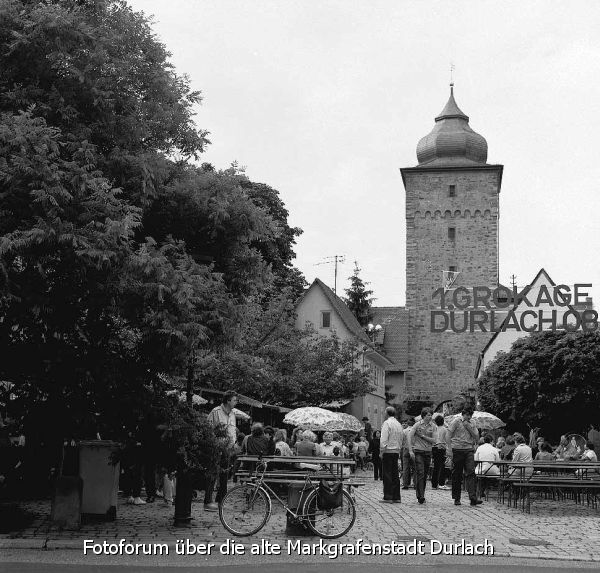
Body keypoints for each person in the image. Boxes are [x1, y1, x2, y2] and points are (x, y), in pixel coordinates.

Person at [205, 391, 238, 511]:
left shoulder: (233, 414)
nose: (236, 402)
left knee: (225, 476)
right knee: (213, 474)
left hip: (228, 449)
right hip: (216, 447)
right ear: (228, 401)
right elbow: (208, 429)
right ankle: (207, 501)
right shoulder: (215, 412)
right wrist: (214, 443)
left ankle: (221, 501)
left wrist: (234, 443)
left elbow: (232, 431)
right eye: (234, 400)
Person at [446, 406, 482, 506]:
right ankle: (457, 498)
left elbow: (477, 437)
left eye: (470, 415)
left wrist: (468, 427)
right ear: (463, 414)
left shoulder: (473, 422)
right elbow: (448, 434)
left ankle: (473, 498)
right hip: (457, 449)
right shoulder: (456, 421)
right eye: (467, 415)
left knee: (471, 472)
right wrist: (448, 448)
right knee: (457, 474)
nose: (468, 417)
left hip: (469, 450)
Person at [408, 408, 437, 504]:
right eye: (428, 415)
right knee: (420, 472)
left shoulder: (433, 426)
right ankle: (421, 496)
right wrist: (410, 450)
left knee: (424, 474)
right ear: (423, 416)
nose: (430, 417)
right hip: (418, 451)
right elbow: (409, 436)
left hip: (428, 452)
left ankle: (421, 493)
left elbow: (434, 440)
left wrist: (423, 436)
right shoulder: (417, 425)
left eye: (430, 415)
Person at [380, 406, 405, 503]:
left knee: (387, 474)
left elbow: (384, 439)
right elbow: (402, 437)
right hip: (396, 451)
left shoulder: (387, 423)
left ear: (387, 413)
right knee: (395, 474)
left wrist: (382, 450)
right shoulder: (398, 424)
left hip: (388, 451)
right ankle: (396, 496)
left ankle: (388, 496)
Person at [431, 415, 449, 490]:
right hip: (441, 448)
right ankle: (441, 483)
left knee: (435, 466)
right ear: (443, 421)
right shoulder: (445, 429)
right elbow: (447, 440)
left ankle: (434, 484)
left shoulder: (434, 429)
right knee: (442, 466)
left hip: (434, 448)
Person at [401, 419, 415, 489]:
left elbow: (402, 441)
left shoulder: (404, 431)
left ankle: (405, 484)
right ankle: (415, 484)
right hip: (414, 449)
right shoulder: (415, 431)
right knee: (415, 467)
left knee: (405, 468)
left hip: (406, 449)